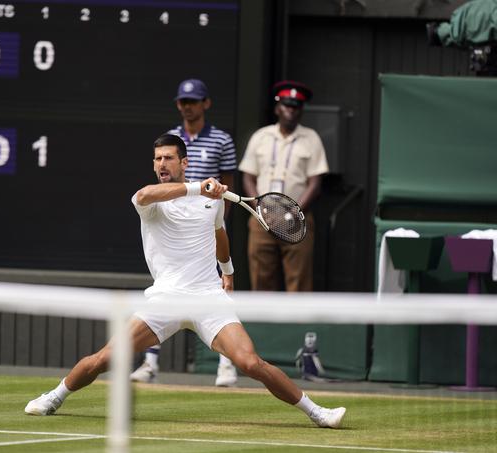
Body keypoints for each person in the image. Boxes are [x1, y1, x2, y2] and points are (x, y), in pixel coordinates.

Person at [24, 134, 346, 429]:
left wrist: (229, 273)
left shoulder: (213, 200)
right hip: (165, 298)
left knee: (251, 362)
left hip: (208, 298)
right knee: (107, 357)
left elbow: (220, 234)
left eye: (168, 158)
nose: (161, 164)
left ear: (184, 162)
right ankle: (54, 397)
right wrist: (197, 187)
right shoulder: (151, 203)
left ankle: (317, 412)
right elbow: (145, 194)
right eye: (157, 159)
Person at [131, 79, 239, 387]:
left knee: (217, 298)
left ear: (205, 103)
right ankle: (150, 363)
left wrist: (212, 221)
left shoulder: (222, 139)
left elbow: (226, 178)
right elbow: (155, 190)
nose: (187, 106)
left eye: (193, 101)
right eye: (182, 101)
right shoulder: (171, 141)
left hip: (205, 219)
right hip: (171, 218)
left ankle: (226, 366)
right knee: (165, 288)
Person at [239, 80, 328, 292]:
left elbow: (315, 183)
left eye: (296, 107)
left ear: (301, 110)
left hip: (298, 219)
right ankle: (264, 324)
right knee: (261, 277)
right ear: (278, 107)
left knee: (299, 279)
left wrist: (294, 211)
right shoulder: (261, 137)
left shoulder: (311, 138)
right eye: (287, 105)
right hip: (263, 219)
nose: (291, 111)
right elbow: (248, 177)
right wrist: (261, 208)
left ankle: (298, 325)